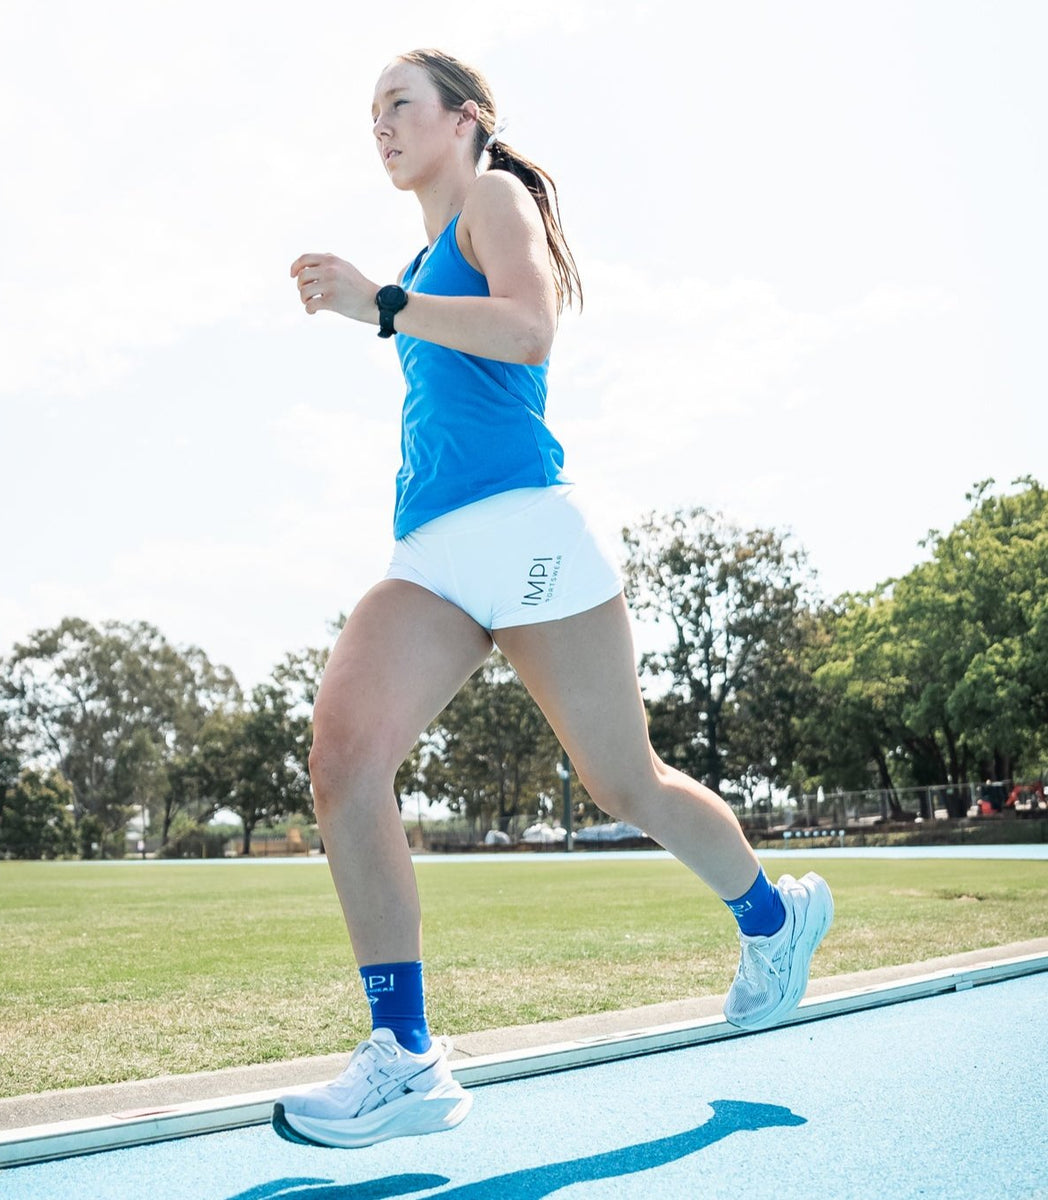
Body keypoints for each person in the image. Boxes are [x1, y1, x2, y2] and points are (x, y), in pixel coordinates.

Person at [276, 48, 833, 1150]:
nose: (380, 126)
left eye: (400, 105)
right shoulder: (423, 253)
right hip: (431, 552)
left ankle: (775, 918)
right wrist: (386, 301)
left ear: (467, 118)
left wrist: (382, 304)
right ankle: (407, 1057)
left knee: (626, 783)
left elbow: (531, 330)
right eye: (369, 113)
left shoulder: (494, 196)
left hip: (529, 532)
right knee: (342, 759)